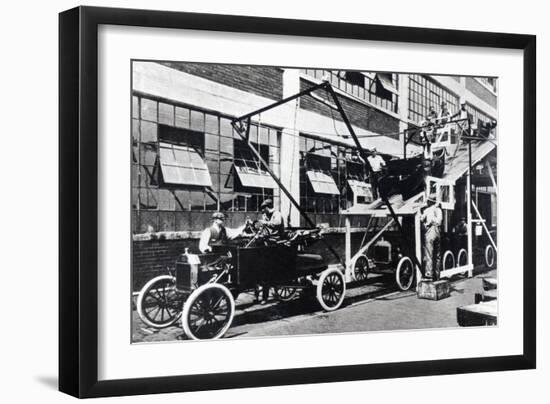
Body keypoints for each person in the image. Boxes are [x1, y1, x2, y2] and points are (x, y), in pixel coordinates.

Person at [420, 196, 443, 280]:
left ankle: (429, 274)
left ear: (429, 202)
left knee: (429, 253)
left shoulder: (427, 210)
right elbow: (440, 221)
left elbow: (421, 219)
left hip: (430, 231)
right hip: (438, 231)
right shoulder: (439, 210)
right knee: (437, 255)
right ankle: (437, 275)